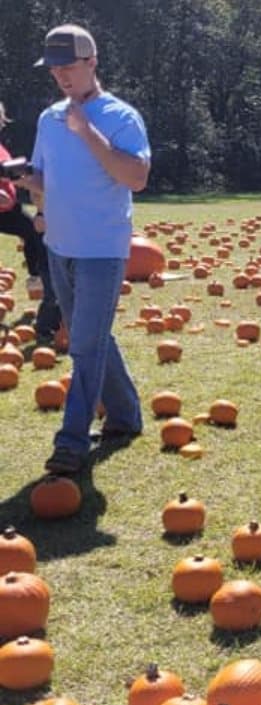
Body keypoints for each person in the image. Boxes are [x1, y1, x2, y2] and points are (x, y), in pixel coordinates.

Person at [19, 24, 151, 475]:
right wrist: (21, 180)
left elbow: (136, 177)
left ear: (92, 62)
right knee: (89, 340)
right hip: (60, 247)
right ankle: (126, 416)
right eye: (54, 70)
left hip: (101, 250)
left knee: (86, 347)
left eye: (68, 67)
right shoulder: (48, 118)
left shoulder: (121, 117)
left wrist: (87, 131)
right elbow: (44, 180)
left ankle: (72, 441)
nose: (61, 77)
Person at [0, 103, 62, 343]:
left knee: (34, 233)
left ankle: (37, 277)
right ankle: (39, 280)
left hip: (9, 209)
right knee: (33, 232)